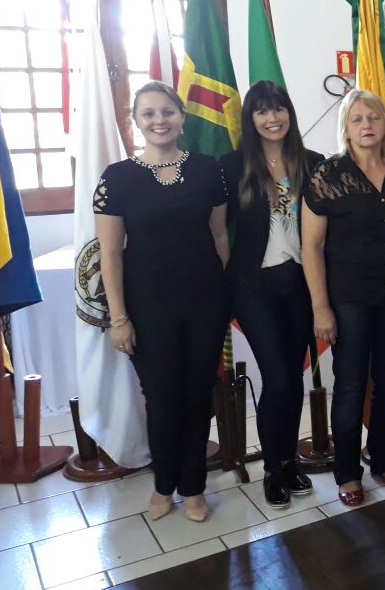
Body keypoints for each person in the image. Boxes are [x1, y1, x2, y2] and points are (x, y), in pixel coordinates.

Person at [95, 81, 229, 523]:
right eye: (149, 113)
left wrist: (223, 290)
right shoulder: (118, 177)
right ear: (136, 120)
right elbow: (110, 254)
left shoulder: (208, 170)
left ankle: (193, 487)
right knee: (160, 396)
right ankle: (162, 483)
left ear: (182, 117)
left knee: (196, 393)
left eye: (167, 111)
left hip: (204, 303)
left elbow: (219, 235)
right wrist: (119, 318)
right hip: (147, 307)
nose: (159, 120)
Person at [301, 89, 385, 507]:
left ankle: (384, 460)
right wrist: (320, 308)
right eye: (357, 119)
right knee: (350, 386)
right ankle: (347, 472)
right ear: (346, 128)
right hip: (348, 301)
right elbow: (311, 246)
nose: (366, 125)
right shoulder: (327, 175)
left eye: (373, 117)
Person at [220, 81, 324, 510]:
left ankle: (289, 460)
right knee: (277, 377)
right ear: (251, 118)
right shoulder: (233, 166)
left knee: (293, 379)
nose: (272, 118)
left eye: (279, 108)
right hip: (254, 286)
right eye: (262, 111)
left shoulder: (313, 162)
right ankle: (272, 468)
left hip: (300, 283)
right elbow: (216, 229)